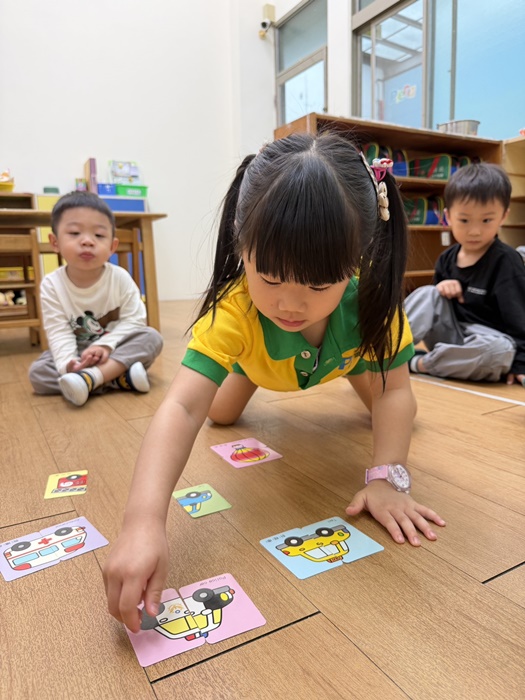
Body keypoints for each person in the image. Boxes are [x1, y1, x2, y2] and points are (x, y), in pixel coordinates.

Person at [103, 133, 445, 632]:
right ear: (241, 243)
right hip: (256, 363)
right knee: (220, 413)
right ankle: (251, 368)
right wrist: (142, 522)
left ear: (357, 258)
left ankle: (349, 361)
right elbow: (182, 408)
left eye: (318, 284)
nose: (289, 304)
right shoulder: (235, 311)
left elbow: (396, 392)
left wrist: (386, 479)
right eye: (269, 277)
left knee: (394, 420)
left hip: (347, 358)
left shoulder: (372, 300)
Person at [29, 191, 163, 406]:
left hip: (115, 347)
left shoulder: (119, 277)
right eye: (74, 233)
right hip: (78, 353)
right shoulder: (52, 284)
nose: (87, 241)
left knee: (151, 337)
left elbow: (135, 320)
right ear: (55, 242)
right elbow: (58, 331)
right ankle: (117, 378)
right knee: (38, 374)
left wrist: (106, 346)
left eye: (99, 235)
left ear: (112, 246)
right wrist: (68, 364)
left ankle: (88, 380)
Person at [404, 162, 525, 385]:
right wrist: (441, 288)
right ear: (448, 217)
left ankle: (419, 363)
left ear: (503, 216)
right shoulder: (446, 259)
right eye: (464, 220)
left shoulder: (506, 261)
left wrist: (520, 363)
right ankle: (385, 351)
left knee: (499, 351)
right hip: (449, 336)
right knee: (428, 293)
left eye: (486, 220)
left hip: (485, 343)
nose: (475, 231)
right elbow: (435, 309)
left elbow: (520, 319)